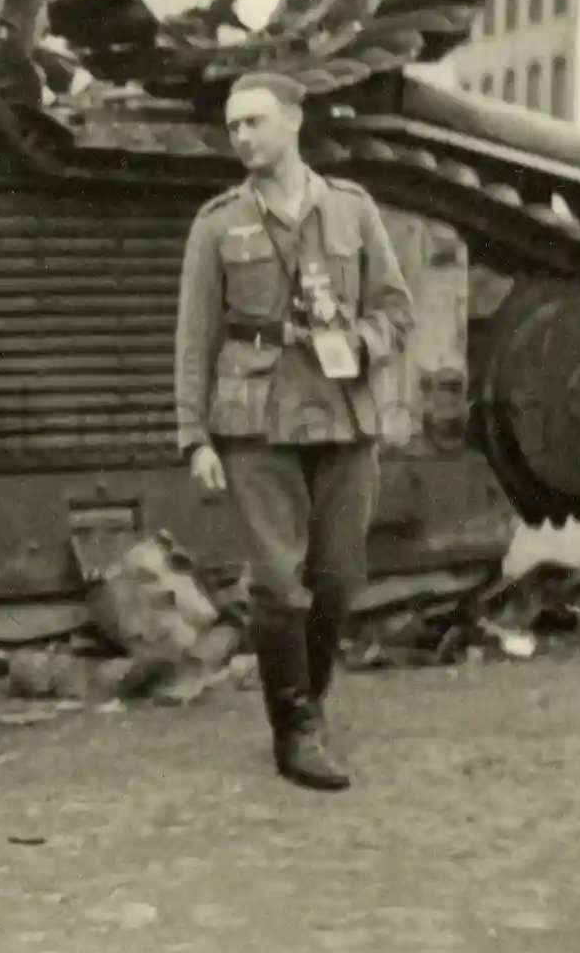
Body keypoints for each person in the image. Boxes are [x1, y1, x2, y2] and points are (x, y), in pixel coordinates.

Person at [174, 69, 415, 791]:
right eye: (233, 125)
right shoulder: (217, 223)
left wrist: (359, 341)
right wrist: (194, 438)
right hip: (257, 420)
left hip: (342, 417)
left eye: (253, 121)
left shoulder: (350, 210)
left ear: (292, 122)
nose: (240, 136)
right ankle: (294, 730)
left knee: (337, 578)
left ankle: (305, 698)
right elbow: (194, 338)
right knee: (277, 585)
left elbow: (396, 309)